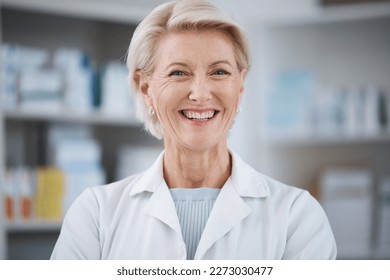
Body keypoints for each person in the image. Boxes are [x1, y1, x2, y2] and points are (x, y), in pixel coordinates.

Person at [51, 0, 337, 260]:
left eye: (219, 72)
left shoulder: (296, 217)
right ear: (146, 88)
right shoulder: (95, 215)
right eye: (178, 72)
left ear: (240, 86)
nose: (200, 94)